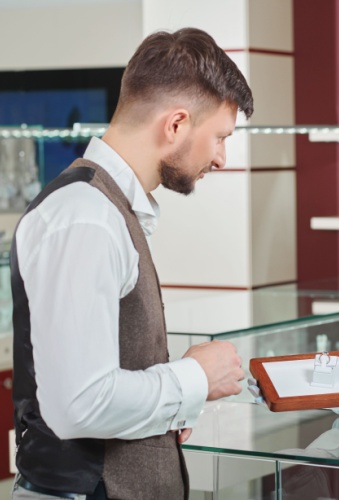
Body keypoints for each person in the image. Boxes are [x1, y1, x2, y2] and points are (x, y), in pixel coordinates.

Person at [10, 27, 253, 499]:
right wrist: (196, 377)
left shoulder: (106, 209)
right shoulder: (88, 219)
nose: (221, 157)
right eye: (220, 137)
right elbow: (80, 404)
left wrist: (170, 409)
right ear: (176, 124)